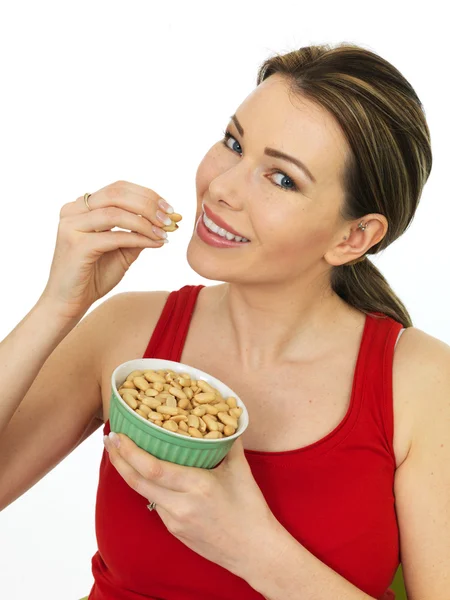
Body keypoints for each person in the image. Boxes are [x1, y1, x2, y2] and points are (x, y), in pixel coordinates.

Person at [0, 42, 448, 600]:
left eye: (282, 178)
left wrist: (250, 544)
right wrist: (56, 308)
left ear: (353, 236)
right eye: (234, 144)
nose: (222, 187)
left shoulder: (423, 384)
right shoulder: (127, 333)